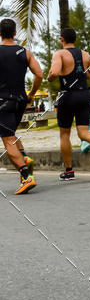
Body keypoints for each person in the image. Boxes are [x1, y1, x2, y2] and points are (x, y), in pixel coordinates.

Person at [48, 27, 90, 178]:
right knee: (83, 132)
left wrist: (50, 77)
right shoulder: (85, 54)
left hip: (67, 96)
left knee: (64, 134)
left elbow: (55, 72)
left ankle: (69, 170)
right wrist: (82, 75)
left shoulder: (59, 54)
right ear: (75, 39)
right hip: (84, 95)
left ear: (62, 39)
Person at [0, 17, 43, 194]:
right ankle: (24, 157)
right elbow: (39, 74)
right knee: (12, 134)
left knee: (7, 138)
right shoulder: (25, 52)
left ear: (0, 34)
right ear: (15, 33)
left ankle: (26, 176)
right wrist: (31, 94)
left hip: (3, 102)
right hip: (20, 101)